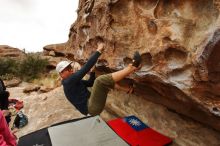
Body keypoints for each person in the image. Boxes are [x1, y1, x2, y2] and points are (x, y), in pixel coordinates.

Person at [56, 42, 141, 116]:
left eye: (70, 67)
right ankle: (132, 67)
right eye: (67, 69)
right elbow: (85, 68)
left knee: (106, 81)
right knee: (100, 81)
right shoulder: (68, 82)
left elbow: (90, 83)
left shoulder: (72, 82)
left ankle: (128, 89)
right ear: (61, 74)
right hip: (91, 109)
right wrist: (98, 50)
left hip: (92, 105)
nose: (71, 70)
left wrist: (92, 72)